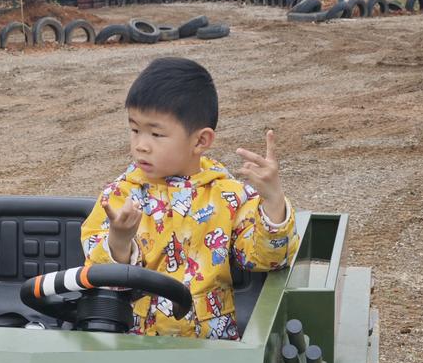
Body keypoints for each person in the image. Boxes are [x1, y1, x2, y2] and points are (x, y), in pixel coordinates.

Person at [81, 56, 299, 339]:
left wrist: (272, 200)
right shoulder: (120, 196)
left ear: (200, 141)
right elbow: (99, 279)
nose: (140, 146)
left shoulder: (229, 197)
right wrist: (119, 241)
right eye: (135, 130)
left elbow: (267, 260)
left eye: (156, 134)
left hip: (210, 350)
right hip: (134, 348)